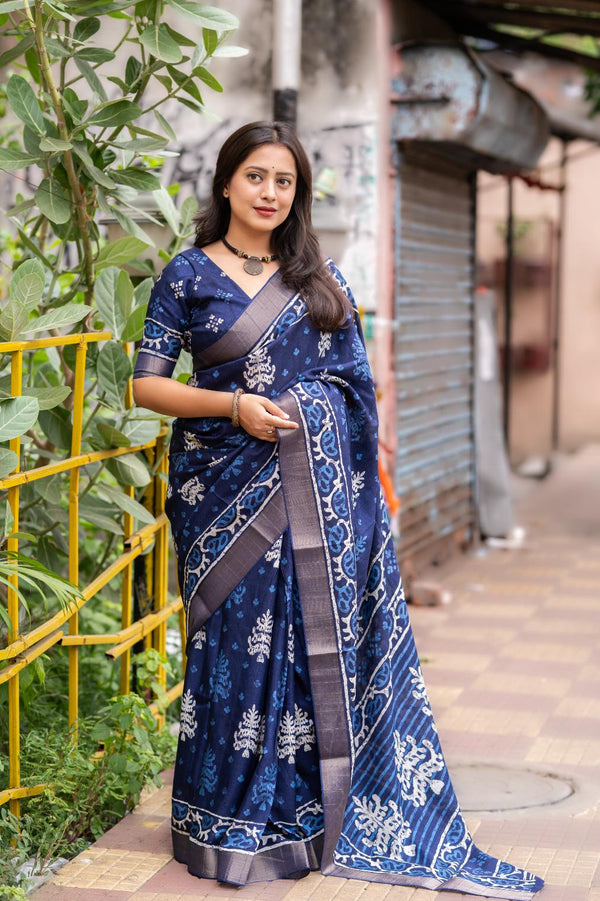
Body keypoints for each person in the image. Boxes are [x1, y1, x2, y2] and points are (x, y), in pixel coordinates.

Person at [132, 121, 544, 898]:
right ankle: (218, 822)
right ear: (226, 183)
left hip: (312, 498)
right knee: (231, 651)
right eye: (256, 176)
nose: (269, 193)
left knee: (296, 650)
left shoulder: (318, 277)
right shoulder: (187, 275)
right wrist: (234, 406)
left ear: (297, 195)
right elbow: (146, 385)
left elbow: (354, 390)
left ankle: (300, 823)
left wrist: (300, 413)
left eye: (284, 182)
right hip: (218, 490)